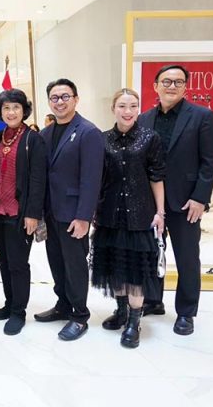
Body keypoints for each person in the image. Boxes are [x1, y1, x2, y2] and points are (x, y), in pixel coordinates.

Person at [139, 64, 213, 335]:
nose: (171, 86)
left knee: (187, 259)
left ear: (185, 87)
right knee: (150, 254)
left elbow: (209, 162)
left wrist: (200, 198)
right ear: (156, 86)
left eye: (178, 82)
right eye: (166, 81)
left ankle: (186, 312)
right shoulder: (144, 119)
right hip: (151, 203)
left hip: (186, 203)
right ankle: (153, 301)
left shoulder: (203, 116)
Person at [91, 89, 166, 348]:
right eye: (122, 106)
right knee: (116, 267)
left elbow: (157, 177)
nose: (128, 111)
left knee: (135, 271)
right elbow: (98, 179)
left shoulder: (150, 138)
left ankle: (135, 321)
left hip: (139, 216)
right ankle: (121, 310)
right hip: (109, 214)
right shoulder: (102, 139)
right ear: (113, 108)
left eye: (133, 106)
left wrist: (160, 212)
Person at [34, 78, 104, 341]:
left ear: (76, 99)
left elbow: (91, 179)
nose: (60, 102)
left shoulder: (88, 132)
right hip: (51, 212)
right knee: (56, 261)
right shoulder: (46, 133)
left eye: (65, 96)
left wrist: (84, 216)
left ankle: (79, 315)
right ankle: (62, 304)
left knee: (75, 265)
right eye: (54, 97)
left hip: (74, 213)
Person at [0, 89, 47, 336]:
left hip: (20, 214)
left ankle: (18, 312)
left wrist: (33, 214)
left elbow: (38, 180)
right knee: (3, 261)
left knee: (18, 264)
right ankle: (9, 303)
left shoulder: (33, 139)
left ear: (24, 111)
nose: (11, 112)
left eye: (15, 107)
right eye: (6, 108)